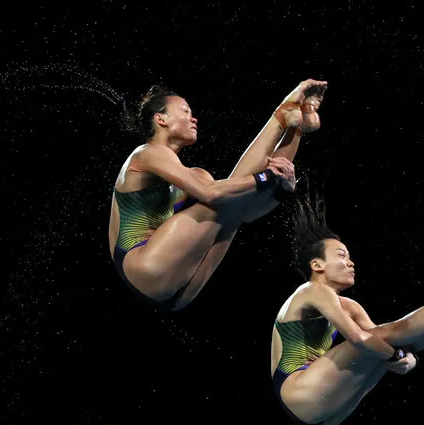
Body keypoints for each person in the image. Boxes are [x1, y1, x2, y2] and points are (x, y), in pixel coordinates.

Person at [270, 194, 424, 425]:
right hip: (300, 392)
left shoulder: (350, 307)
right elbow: (360, 339)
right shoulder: (311, 290)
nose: (351, 262)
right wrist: (397, 357)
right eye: (342, 255)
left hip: (326, 412)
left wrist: (407, 358)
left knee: (392, 344)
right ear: (317, 265)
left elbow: (390, 339)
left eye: (350, 256)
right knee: (384, 343)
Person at [108, 79, 328, 310]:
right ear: (160, 119)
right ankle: (282, 117)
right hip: (143, 266)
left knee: (233, 210)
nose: (193, 118)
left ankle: (295, 125)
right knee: (224, 201)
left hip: (178, 291)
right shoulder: (146, 154)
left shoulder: (196, 175)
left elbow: (248, 213)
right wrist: (267, 179)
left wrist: (282, 190)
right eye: (184, 111)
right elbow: (211, 194)